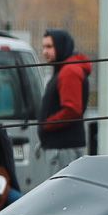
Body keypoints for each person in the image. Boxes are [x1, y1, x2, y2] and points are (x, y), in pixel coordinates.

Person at [38, 28, 92, 177]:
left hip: (64, 149)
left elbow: (72, 110)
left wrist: (46, 124)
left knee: (60, 196)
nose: (45, 51)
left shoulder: (69, 71)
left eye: (49, 46)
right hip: (61, 148)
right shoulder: (62, 69)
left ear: (61, 46)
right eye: (43, 47)